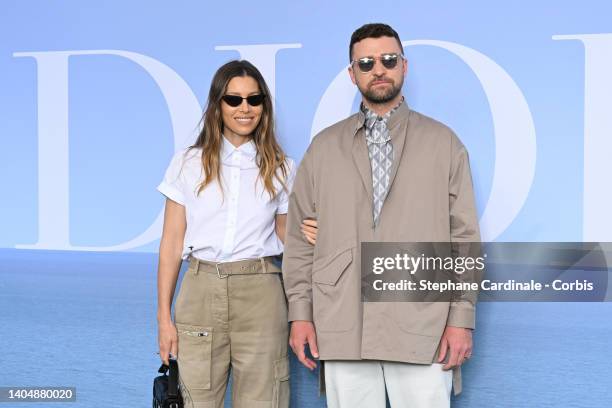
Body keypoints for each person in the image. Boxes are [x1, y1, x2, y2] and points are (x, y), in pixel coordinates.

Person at [282, 23, 481, 408]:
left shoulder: (444, 143)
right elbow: (298, 241)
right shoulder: (323, 148)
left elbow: (465, 238)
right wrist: (300, 313)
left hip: (422, 323)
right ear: (351, 72)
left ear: (405, 66)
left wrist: (461, 318)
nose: (379, 69)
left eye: (388, 59)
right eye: (366, 62)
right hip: (342, 323)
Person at [156, 60, 296, 408]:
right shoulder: (187, 163)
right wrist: (163, 317)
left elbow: (290, 243)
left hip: (262, 292)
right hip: (201, 291)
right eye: (233, 100)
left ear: (264, 106)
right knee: (194, 400)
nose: (244, 108)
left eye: (254, 99)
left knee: (266, 400)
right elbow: (171, 244)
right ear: (218, 104)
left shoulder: (282, 167)